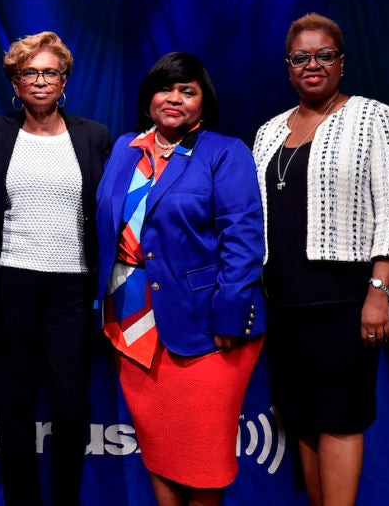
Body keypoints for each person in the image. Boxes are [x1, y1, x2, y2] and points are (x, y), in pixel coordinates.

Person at [252, 12, 389, 506]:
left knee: (341, 419)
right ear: (288, 66)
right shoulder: (269, 131)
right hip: (285, 302)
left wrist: (379, 291)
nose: (313, 65)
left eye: (325, 55)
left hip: (345, 301)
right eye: (301, 57)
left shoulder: (372, 117)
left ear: (342, 62)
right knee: (302, 417)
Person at [95, 51, 267, 506]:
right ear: (148, 98)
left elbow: (244, 239)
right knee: (159, 449)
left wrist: (230, 315)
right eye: (165, 89)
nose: (174, 99)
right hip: (131, 325)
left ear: (203, 102)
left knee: (204, 457)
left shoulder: (224, 152)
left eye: (187, 91)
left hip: (207, 325)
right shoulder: (125, 148)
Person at [0, 31, 111, 506]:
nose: (39, 80)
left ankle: (66, 500)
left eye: (49, 72)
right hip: (11, 283)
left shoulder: (93, 136)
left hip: (71, 289)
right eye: (28, 72)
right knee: (13, 402)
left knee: (70, 403)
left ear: (64, 80)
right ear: (15, 83)